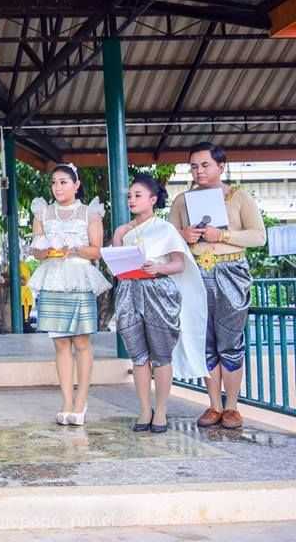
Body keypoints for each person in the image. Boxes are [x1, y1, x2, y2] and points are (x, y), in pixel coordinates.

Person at [168, 142, 266, 430]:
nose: (199, 171)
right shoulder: (182, 201)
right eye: (194, 166)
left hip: (231, 271)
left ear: (220, 166)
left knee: (230, 341)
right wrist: (183, 235)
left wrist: (222, 236)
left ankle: (232, 407)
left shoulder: (239, 197)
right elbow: (167, 237)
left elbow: (259, 236)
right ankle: (213, 405)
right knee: (204, 340)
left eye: (205, 165)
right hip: (195, 272)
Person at [111, 174, 207, 434]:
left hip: (159, 293)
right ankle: (144, 409)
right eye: (130, 196)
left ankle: (161, 410)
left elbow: (179, 263)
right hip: (129, 293)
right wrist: (118, 239)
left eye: (137, 195)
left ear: (153, 199)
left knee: (161, 356)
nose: (131, 200)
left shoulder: (165, 229)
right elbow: (116, 266)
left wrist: (158, 268)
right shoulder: (123, 231)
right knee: (138, 356)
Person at [28, 164, 111, 427]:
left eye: (63, 182)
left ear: (76, 185)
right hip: (53, 279)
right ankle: (66, 401)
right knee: (60, 343)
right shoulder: (42, 212)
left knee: (82, 342)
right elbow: (37, 249)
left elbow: (97, 251)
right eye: (54, 182)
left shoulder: (90, 213)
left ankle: (81, 401)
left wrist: (74, 249)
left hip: (79, 278)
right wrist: (43, 251)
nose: (58, 187)